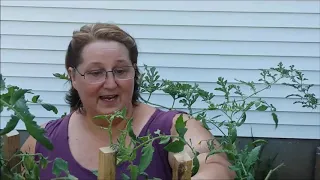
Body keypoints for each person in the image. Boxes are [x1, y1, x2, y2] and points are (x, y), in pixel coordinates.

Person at [21, 23, 234, 179]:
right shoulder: (41, 141)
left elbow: (215, 162)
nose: (111, 83)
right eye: (96, 72)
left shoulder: (172, 127)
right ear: (73, 76)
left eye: (121, 70)